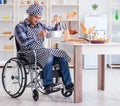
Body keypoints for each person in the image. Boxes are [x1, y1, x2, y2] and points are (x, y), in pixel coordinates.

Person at [15, 3, 74, 94]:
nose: (37, 20)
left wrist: (57, 23)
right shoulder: (20, 26)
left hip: (42, 53)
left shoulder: (40, 25)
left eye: (39, 17)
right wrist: (37, 36)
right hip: (28, 54)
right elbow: (23, 42)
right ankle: (48, 84)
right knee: (49, 54)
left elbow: (54, 31)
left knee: (61, 57)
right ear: (29, 15)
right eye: (35, 17)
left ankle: (68, 84)